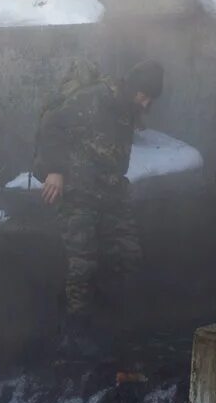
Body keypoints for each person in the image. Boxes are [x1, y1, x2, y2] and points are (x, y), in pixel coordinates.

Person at [33, 59, 164, 354]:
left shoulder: (128, 109)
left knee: (128, 255)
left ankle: (117, 325)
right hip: (79, 190)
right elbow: (52, 123)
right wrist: (54, 170)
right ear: (133, 86)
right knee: (83, 263)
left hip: (112, 191)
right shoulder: (95, 97)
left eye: (150, 98)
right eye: (143, 94)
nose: (145, 102)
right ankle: (75, 332)